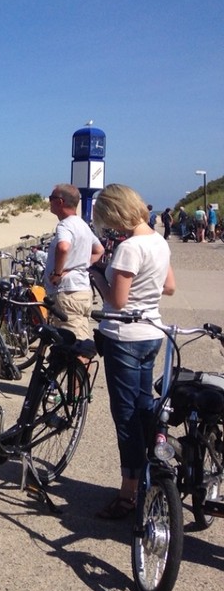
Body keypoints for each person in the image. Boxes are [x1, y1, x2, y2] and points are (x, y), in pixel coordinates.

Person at [87, 183, 175, 520]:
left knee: (126, 417)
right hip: (152, 333)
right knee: (144, 409)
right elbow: (169, 287)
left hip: (124, 336)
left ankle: (129, 492)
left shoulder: (129, 248)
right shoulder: (158, 241)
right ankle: (150, 479)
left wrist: (97, 275)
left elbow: (118, 301)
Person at [43, 184, 104, 344]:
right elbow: (99, 250)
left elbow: (63, 247)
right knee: (78, 341)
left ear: (60, 202)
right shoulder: (82, 224)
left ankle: (81, 369)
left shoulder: (65, 225)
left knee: (74, 346)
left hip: (68, 293)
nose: (49, 202)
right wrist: (81, 266)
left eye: (51, 198)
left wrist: (57, 274)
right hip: (82, 291)